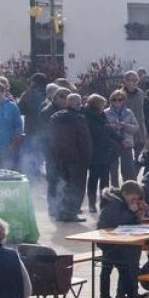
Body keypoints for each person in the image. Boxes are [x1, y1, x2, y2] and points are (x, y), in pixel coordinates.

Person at [96, 181, 146, 298]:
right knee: (110, 268)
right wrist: (131, 212)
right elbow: (116, 221)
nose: (134, 201)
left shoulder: (122, 201)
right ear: (125, 194)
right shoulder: (114, 203)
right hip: (107, 241)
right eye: (133, 198)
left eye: (137, 199)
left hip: (118, 239)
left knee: (125, 267)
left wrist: (139, 215)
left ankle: (130, 294)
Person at [49, 93, 92, 223]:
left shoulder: (54, 118)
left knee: (63, 185)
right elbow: (85, 141)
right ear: (76, 104)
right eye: (79, 103)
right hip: (77, 159)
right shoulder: (79, 119)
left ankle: (60, 212)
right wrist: (87, 158)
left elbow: (50, 138)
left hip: (59, 157)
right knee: (76, 187)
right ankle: (72, 213)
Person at [84, 94, 120, 214]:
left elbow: (108, 129)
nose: (104, 106)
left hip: (105, 152)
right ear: (97, 105)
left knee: (105, 179)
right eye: (103, 104)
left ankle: (104, 203)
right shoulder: (88, 117)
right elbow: (99, 134)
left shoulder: (101, 115)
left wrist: (120, 139)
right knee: (93, 179)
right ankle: (91, 203)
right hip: (94, 153)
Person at [17, 73, 49, 177]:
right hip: (48, 133)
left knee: (30, 159)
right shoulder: (51, 94)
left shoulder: (29, 94)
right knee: (45, 160)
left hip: (32, 131)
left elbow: (20, 110)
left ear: (33, 82)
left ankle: (32, 183)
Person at [106, 89, 140, 184]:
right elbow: (104, 128)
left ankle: (129, 191)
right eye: (114, 100)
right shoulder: (106, 112)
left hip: (127, 144)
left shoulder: (129, 112)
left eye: (120, 100)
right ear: (111, 100)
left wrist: (126, 126)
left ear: (124, 100)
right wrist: (115, 126)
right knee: (113, 171)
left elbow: (136, 127)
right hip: (112, 145)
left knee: (128, 171)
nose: (117, 102)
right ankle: (115, 192)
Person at [122, 71, 147, 170]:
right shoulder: (120, 94)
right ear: (125, 81)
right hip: (125, 129)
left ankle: (133, 178)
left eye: (135, 80)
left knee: (140, 158)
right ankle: (128, 180)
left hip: (140, 129)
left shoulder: (141, 93)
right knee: (126, 158)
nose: (132, 82)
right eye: (129, 80)